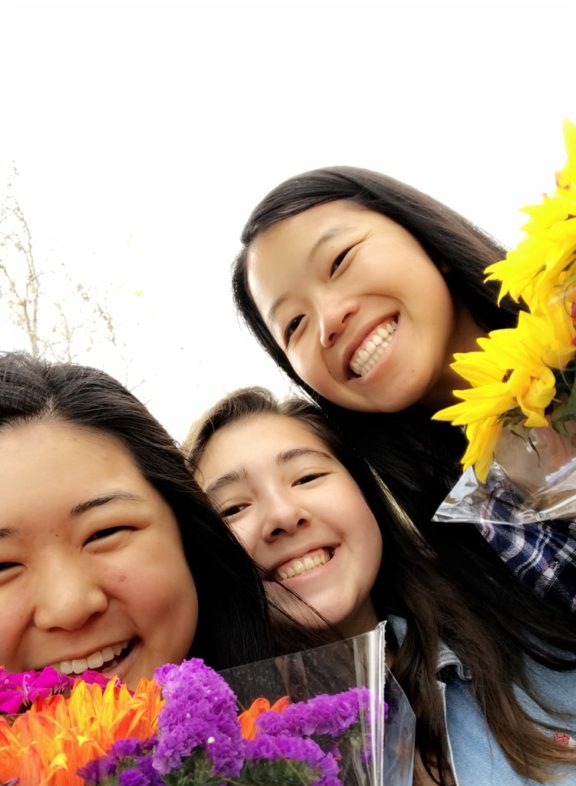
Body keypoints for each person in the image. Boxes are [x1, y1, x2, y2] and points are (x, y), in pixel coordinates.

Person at [187, 386, 576, 786]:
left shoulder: (533, 640)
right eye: (232, 508)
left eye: (307, 475)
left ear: (366, 496)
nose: (282, 516)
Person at [230, 167, 576, 614]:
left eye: (339, 261)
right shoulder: (462, 542)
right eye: (294, 325)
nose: (328, 321)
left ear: (427, 241)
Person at [0, 352, 317, 686]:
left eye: (105, 532)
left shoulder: (332, 719)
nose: (70, 607)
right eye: (3, 567)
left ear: (186, 530)